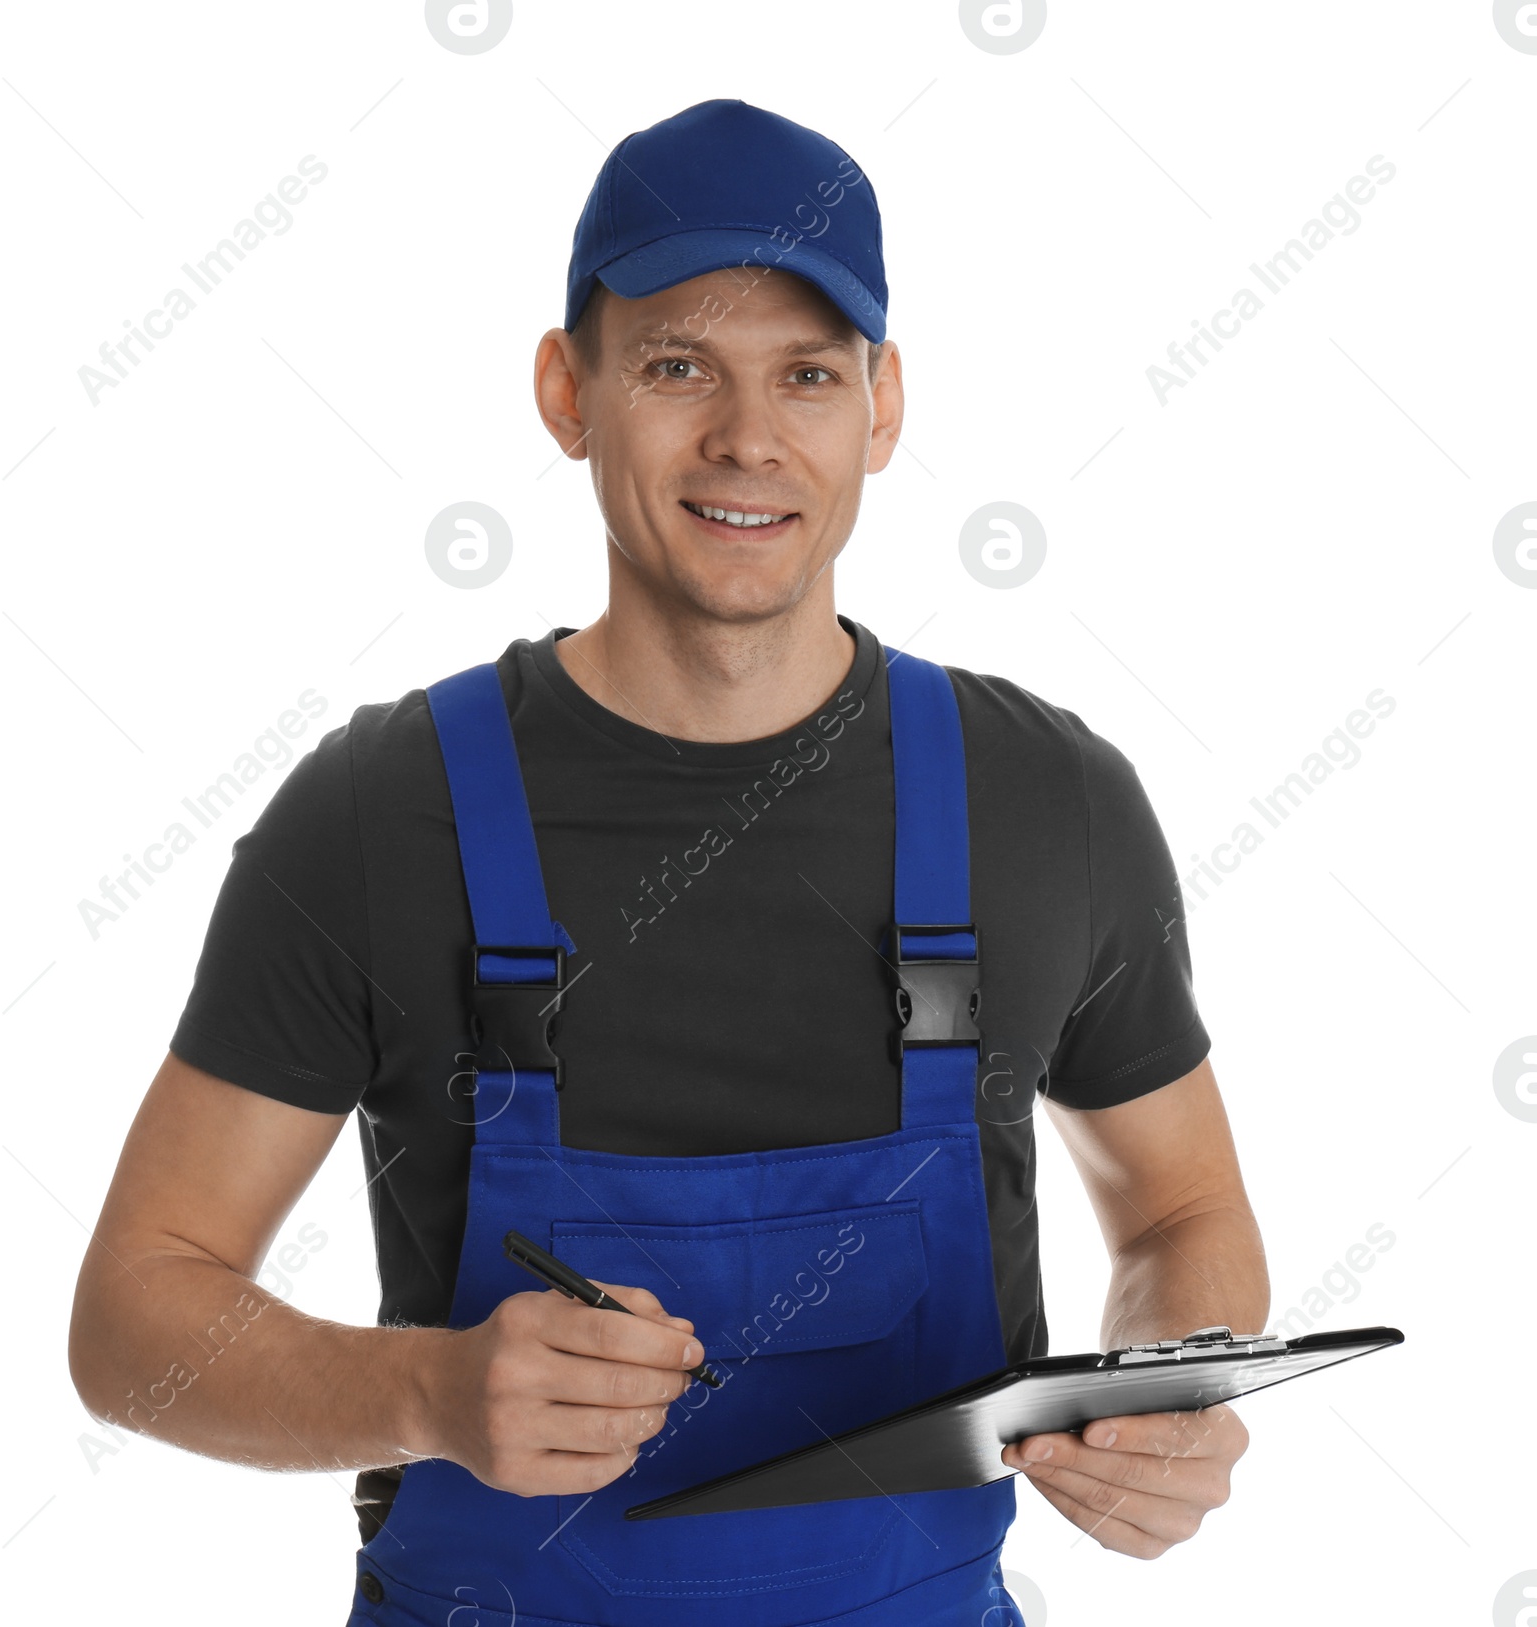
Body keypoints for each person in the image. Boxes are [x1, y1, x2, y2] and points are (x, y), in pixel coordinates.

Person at [68, 98, 1270, 1626]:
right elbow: (133, 1317)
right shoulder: (382, 811)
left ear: (883, 409)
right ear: (568, 390)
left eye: (809, 375)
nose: (748, 439)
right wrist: (429, 1395)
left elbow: (1182, 1219)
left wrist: (1163, 1392)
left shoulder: (1045, 801)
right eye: (678, 366)